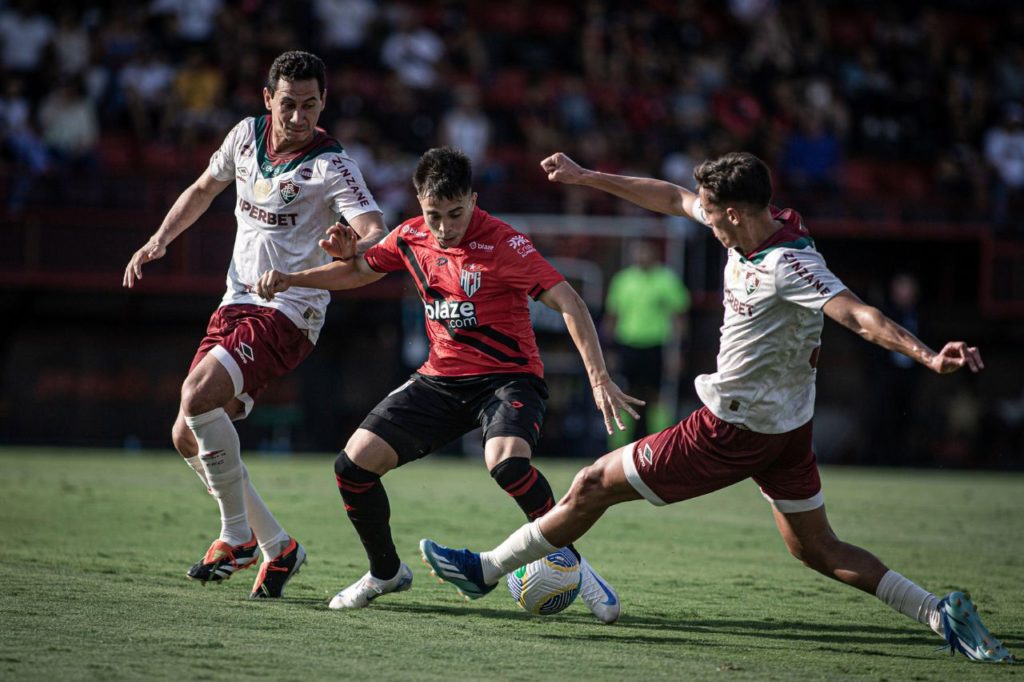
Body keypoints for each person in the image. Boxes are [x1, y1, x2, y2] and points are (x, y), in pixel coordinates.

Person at [420, 151, 1015, 663]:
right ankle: (942, 614)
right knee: (815, 548)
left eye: (712, 211)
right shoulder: (758, 221)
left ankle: (485, 570)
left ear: (735, 211)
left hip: (731, 429)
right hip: (786, 428)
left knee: (593, 483)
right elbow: (672, 197)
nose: (702, 216)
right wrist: (586, 176)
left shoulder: (790, 264)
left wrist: (929, 356)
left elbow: (859, 315)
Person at [255, 146, 643, 622]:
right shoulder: (412, 236)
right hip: (440, 380)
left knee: (505, 463)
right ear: (419, 204)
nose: (444, 226)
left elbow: (570, 302)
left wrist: (598, 375)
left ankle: (578, 569)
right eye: (433, 214)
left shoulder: (505, 244)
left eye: (455, 213)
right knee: (352, 466)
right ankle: (385, 573)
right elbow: (358, 270)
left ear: (473, 200)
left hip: (508, 378)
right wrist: (293, 278)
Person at [123, 51, 387, 599]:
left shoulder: (331, 164)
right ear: (268, 99)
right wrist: (159, 240)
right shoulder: (244, 136)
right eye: (287, 104)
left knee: (196, 395)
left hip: (290, 309)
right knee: (186, 435)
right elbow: (202, 189)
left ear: (323, 103)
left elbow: (374, 231)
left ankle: (235, 536)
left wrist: (350, 245)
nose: (298, 117)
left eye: (309, 106)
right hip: (234, 302)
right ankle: (278, 546)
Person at [603, 239, 690, 446]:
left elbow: (680, 317)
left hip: (656, 346)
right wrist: (609, 351)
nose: (641, 256)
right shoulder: (622, 280)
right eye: (638, 252)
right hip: (627, 345)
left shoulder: (667, 279)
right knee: (624, 394)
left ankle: (660, 444)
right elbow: (612, 317)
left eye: (645, 251)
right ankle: (617, 446)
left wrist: (678, 351)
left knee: (657, 396)